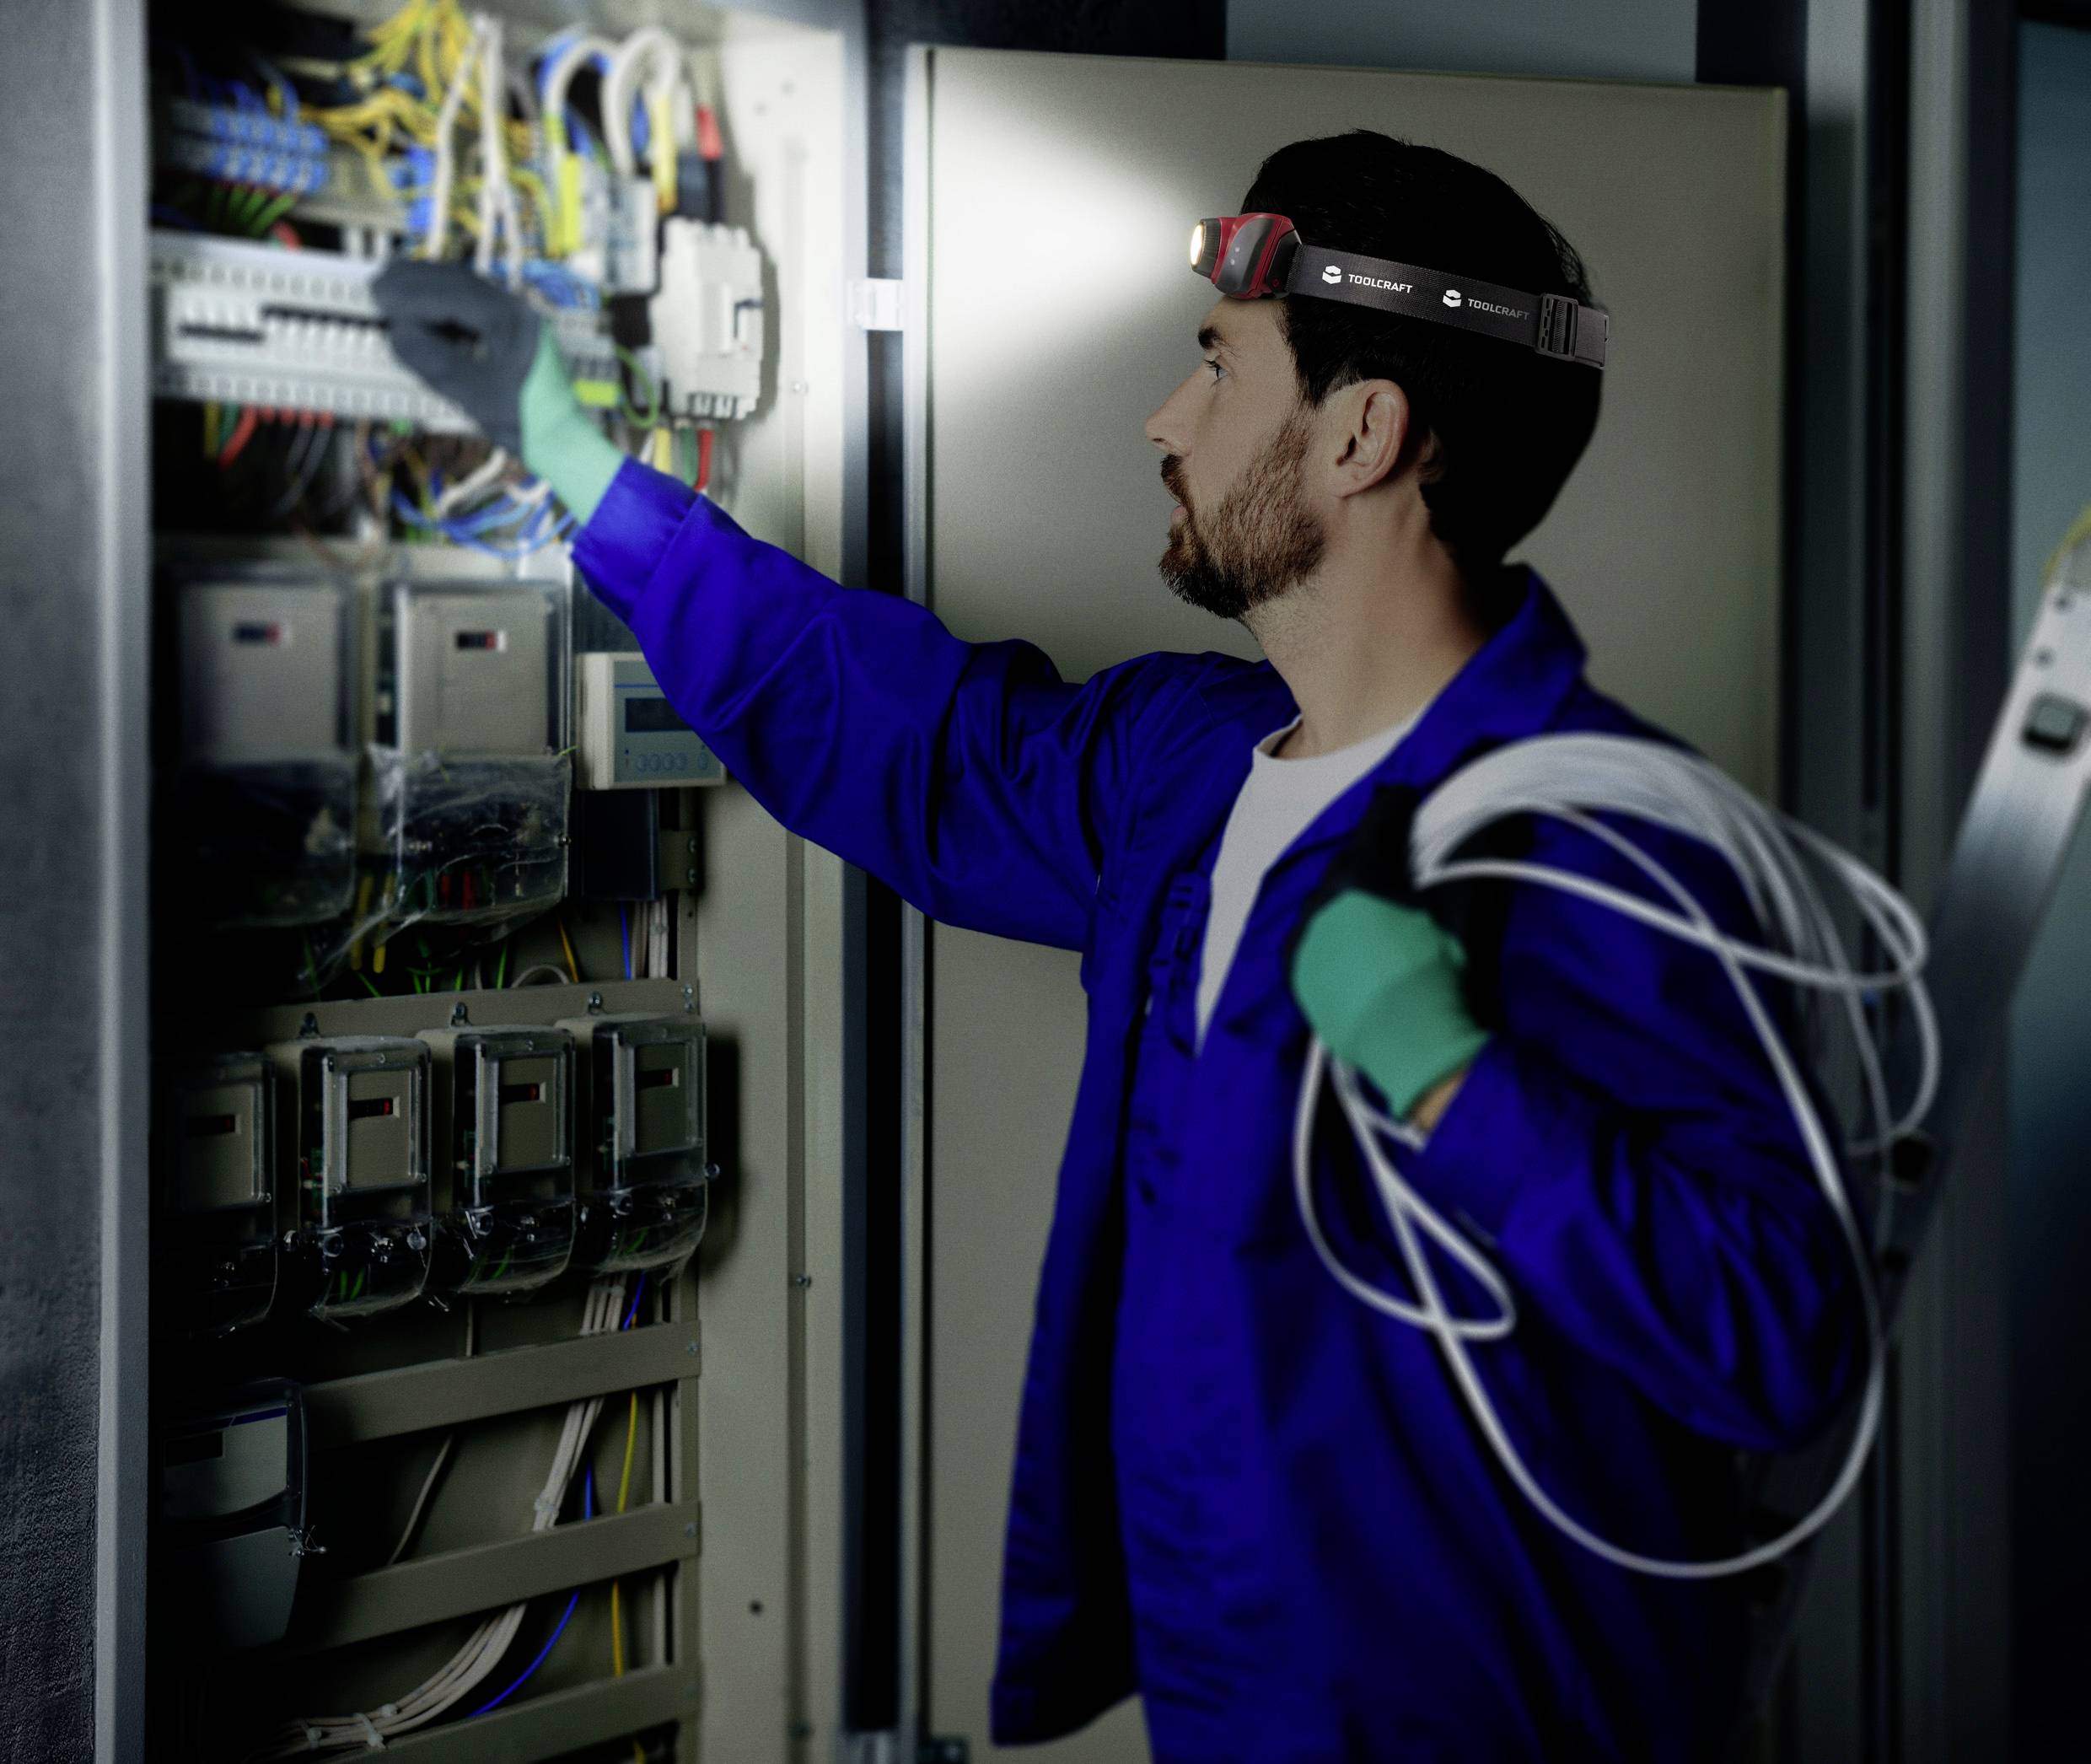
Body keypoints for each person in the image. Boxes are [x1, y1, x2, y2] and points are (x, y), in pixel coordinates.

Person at [377, 131, 1863, 1763]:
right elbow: (903, 734)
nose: (1166, 419)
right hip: (1230, 1687)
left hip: (1481, 1712)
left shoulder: (1597, 844)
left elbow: (1777, 1341)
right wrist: (572, 458)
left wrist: (1452, 1080)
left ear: (1363, 431)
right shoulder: (1186, 772)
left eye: (1218, 369)